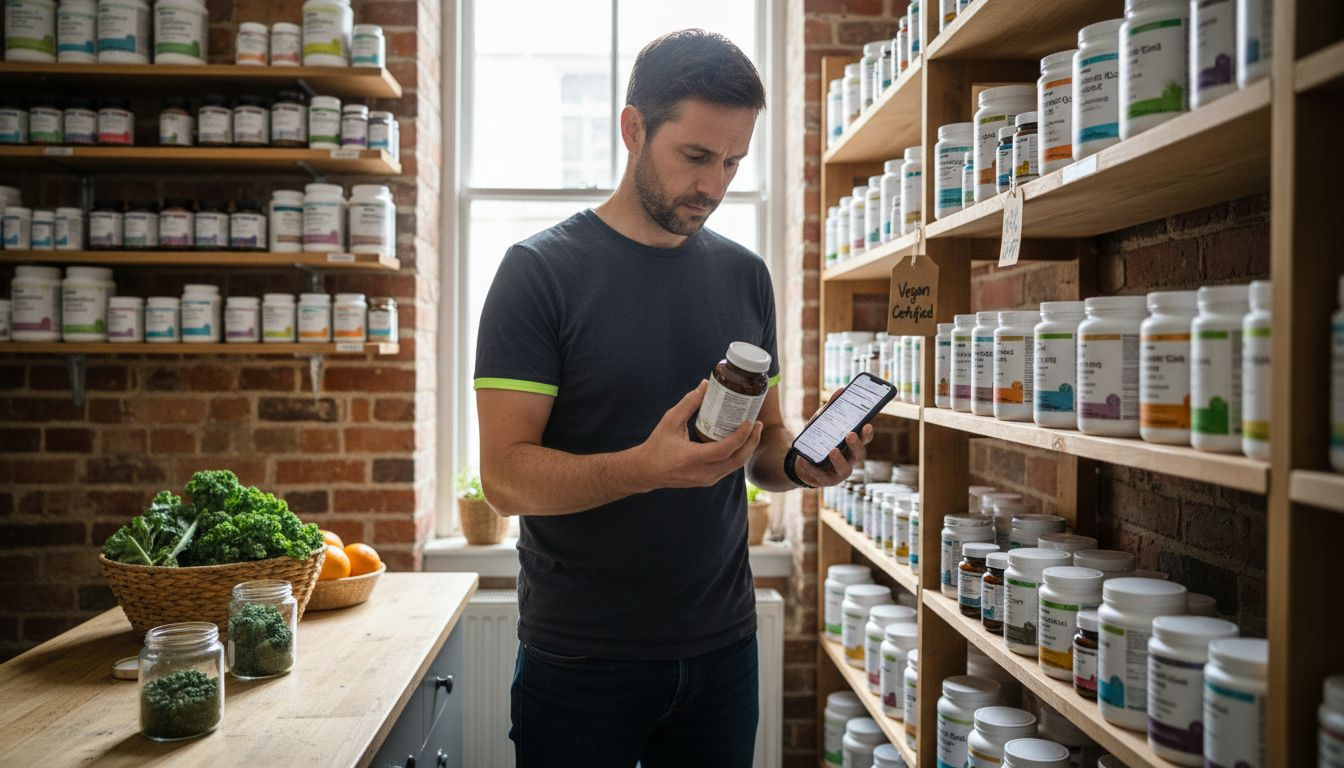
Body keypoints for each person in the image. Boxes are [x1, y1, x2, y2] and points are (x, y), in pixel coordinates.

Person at [474, 29, 874, 767]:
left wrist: (802, 465)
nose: (715, 185)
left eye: (733, 162)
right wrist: (643, 467)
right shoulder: (537, 274)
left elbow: (767, 443)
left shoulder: (746, 277)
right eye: (696, 156)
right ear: (633, 129)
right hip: (581, 659)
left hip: (723, 647)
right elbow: (503, 479)